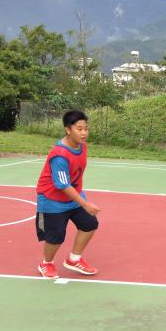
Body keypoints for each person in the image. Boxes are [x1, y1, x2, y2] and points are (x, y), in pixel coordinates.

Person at [35, 110, 100, 279]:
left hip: (73, 197)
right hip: (52, 200)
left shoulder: (82, 147)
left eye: (86, 128)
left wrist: (81, 198)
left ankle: (74, 259)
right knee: (55, 237)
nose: (84, 133)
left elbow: (74, 174)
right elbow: (62, 184)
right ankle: (46, 263)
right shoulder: (60, 154)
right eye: (79, 129)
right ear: (68, 129)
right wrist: (85, 203)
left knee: (90, 224)